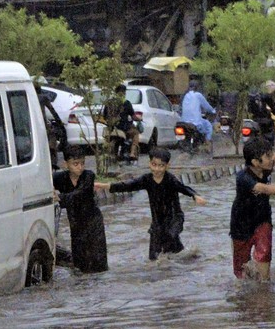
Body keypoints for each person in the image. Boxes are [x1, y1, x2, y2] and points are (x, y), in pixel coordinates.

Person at [98, 146, 205, 260]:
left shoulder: (170, 180)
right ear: (149, 163)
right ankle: (189, 258)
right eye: (154, 165)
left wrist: (195, 196)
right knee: (154, 258)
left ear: (167, 166)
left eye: (161, 166)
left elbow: (184, 188)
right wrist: (106, 186)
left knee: (169, 238)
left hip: (175, 219)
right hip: (157, 222)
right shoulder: (147, 180)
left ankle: (183, 262)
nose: (157, 169)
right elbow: (128, 185)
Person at [230, 136, 275, 280]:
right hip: (241, 225)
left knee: (264, 251)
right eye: (267, 156)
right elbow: (263, 188)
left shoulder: (264, 169)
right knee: (241, 268)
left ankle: (265, 284)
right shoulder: (243, 177)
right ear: (255, 162)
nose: (271, 158)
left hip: (262, 219)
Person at [52, 145, 108, 273]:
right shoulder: (60, 178)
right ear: (66, 164)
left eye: (82, 163)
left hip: (93, 223)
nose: (80, 167)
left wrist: (60, 197)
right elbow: (45, 182)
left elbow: (80, 194)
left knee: (98, 261)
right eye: (75, 164)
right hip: (76, 223)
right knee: (79, 261)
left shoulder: (88, 176)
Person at [102, 84, 140, 164]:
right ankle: (132, 153)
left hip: (111, 128)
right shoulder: (126, 103)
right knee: (136, 133)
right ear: (124, 93)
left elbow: (104, 116)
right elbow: (133, 117)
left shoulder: (108, 103)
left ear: (115, 92)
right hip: (124, 128)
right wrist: (139, 119)